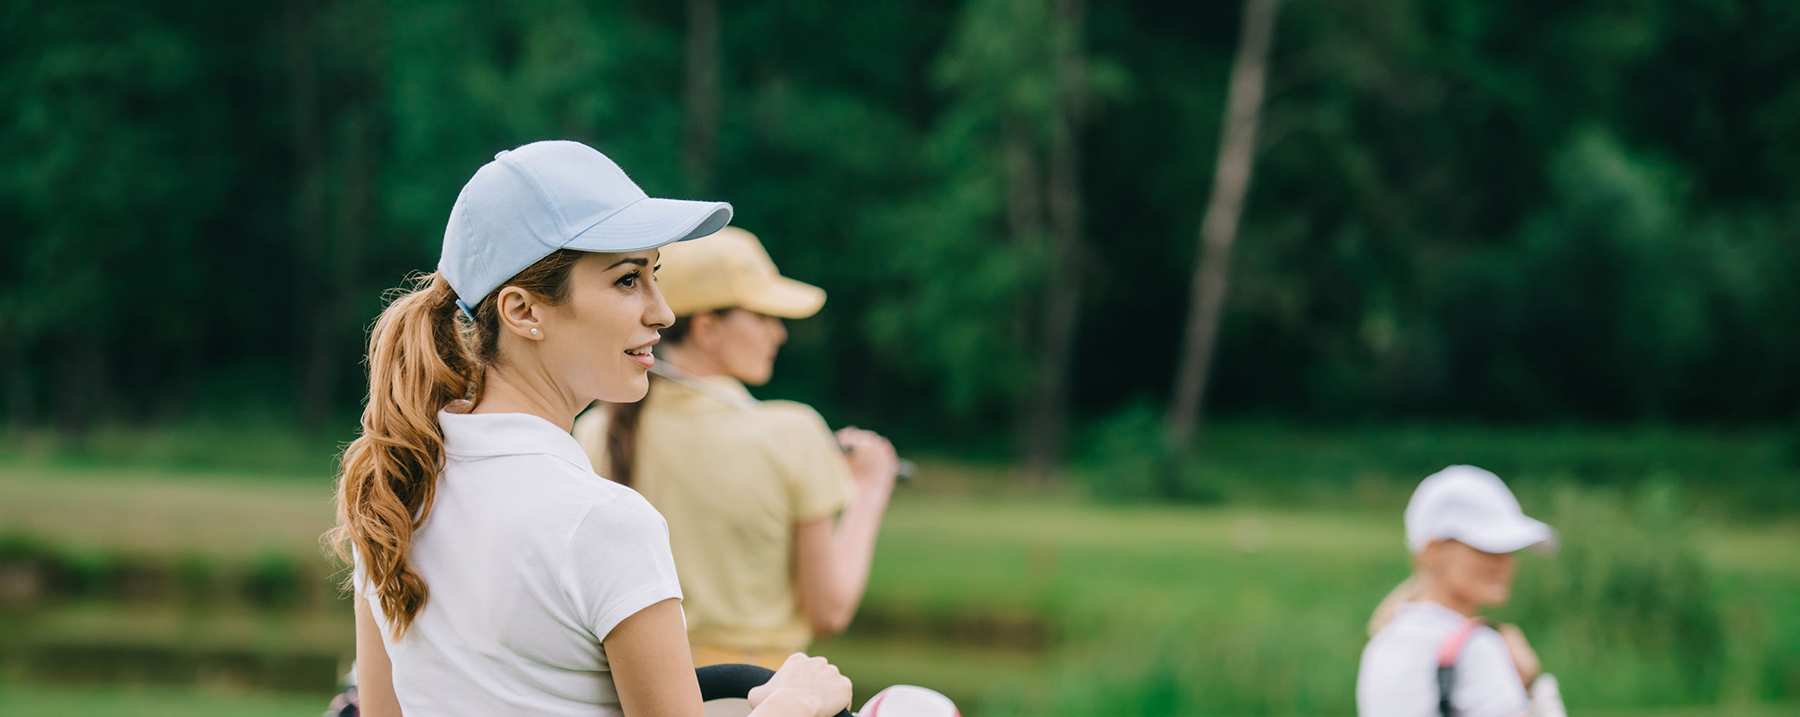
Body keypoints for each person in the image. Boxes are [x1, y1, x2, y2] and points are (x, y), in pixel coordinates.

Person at [328, 140, 852, 717]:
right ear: (523, 311)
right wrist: (795, 705)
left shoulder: (398, 493)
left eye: (655, 275)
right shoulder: (605, 523)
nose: (663, 312)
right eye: (628, 281)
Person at [572, 227, 899, 670]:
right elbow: (830, 611)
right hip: (758, 694)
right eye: (763, 316)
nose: (778, 333)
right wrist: (869, 491)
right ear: (707, 327)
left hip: (635, 691)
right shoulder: (794, 432)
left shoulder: (594, 430)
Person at [1357, 465, 1567, 717]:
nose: (1504, 562)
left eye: (1509, 549)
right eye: (1485, 547)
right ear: (1432, 552)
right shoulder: (1478, 648)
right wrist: (1533, 687)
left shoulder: (1382, 644)